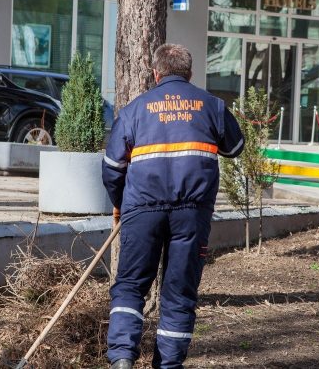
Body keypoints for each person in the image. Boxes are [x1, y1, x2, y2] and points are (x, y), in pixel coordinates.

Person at [102, 43, 245, 369]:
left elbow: (112, 166)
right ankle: (168, 365)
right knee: (179, 294)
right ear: (190, 73)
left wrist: (119, 203)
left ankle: (122, 358)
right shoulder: (211, 105)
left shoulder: (135, 110)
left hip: (142, 211)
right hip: (192, 214)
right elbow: (235, 147)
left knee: (131, 286)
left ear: (156, 73)